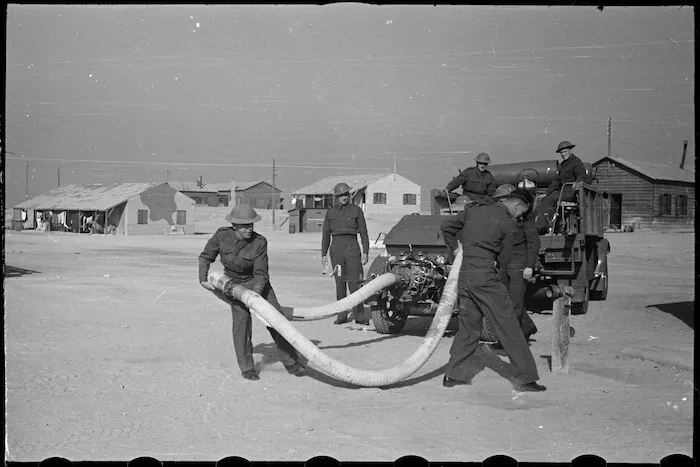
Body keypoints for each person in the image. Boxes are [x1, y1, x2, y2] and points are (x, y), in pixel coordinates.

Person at [440, 189, 546, 392]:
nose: (520, 217)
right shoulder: (508, 223)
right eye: (522, 212)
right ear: (518, 205)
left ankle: (453, 376)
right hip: (486, 276)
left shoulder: (474, 210)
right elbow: (505, 258)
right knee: (509, 326)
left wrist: (455, 249)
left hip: (465, 275)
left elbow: (447, 226)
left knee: (468, 327)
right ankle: (525, 379)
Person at [199, 204, 306, 381]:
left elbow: (261, 275)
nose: (249, 228)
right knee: (241, 324)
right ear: (234, 225)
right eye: (244, 225)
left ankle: (291, 362)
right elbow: (205, 257)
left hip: (257, 283)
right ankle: (247, 368)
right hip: (233, 285)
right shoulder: (221, 236)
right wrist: (202, 277)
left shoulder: (259, 242)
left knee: (276, 319)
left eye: (251, 224)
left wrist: (255, 298)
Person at [491, 184, 539, 348]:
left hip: (520, 266)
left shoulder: (526, 218)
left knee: (516, 304)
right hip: (504, 265)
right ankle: (527, 328)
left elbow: (533, 244)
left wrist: (529, 266)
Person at [321, 182, 370, 325]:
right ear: (336, 197)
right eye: (341, 195)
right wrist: (323, 253)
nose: (344, 197)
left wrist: (366, 251)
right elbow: (325, 234)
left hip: (352, 247)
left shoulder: (356, 211)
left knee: (355, 282)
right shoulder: (330, 213)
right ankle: (341, 315)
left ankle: (359, 316)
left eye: (346, 194)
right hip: (336, 249)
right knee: (340, 282)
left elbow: (363, 232)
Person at [535, 141, 587, 232]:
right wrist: (547, 193)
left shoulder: (576, 162)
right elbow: (556, 181)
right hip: (563, 191)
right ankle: (553, 226)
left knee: (549, 199)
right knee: (544, 198)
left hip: (571, 192)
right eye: (561, 153)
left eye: (565, 152)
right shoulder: (562, 165)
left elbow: (582, 174)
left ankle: (542, 227)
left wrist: (577, 183)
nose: (563, 154)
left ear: (571, 151)